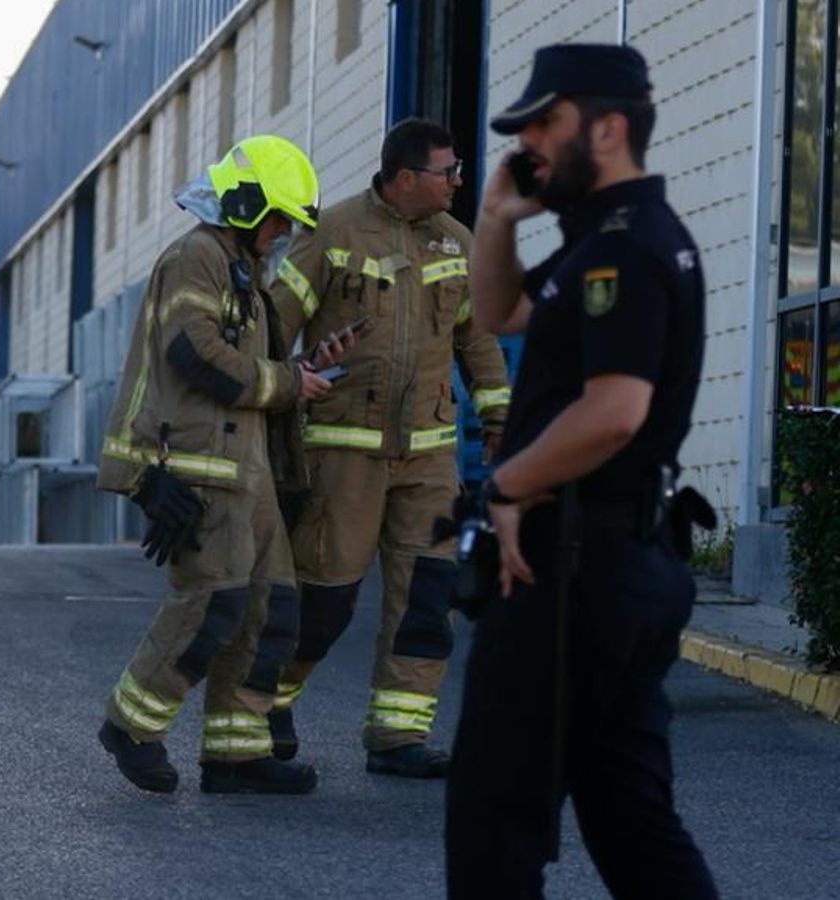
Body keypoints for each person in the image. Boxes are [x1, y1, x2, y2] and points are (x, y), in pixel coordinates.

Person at [445, 44, 718, 898]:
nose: (525, 140)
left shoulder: (621, 253)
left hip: (575, 568)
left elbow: (615, 411)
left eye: (544, 121)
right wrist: (497, 218)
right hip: (615, 558)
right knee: (631, 820)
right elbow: (499, 309)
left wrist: (507, 484)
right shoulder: (601, 241)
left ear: (607, 129)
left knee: (494, 817)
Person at [95, 135, 346, 795]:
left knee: (270, 610)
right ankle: (131, 725)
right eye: (279, 217)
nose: (284, 232)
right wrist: (288, 382)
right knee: (212, 606)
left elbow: (244, 364)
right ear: (245, 203)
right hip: (202, 468)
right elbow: (195, 352)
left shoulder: (240, 268)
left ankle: (237, 752)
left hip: (245, 471)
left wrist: (301, 370)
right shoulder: (197, 257)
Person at [269, 118, 512, 778]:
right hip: (342, 453)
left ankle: (398, 734)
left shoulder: (456, 241)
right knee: (324, 600)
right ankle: (269, 702)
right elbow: (273, 330)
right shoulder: (331, 234)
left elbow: (478, 339)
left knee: (428, 596)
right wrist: (271, 395)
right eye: (447, 171)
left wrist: (498, 416)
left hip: (428, 456)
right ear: (406, 177)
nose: (458, 181)